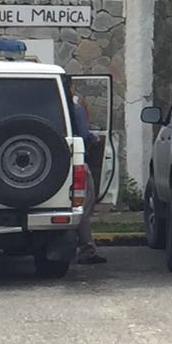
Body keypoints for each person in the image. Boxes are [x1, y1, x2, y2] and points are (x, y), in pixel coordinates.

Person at [71, 84, 107, 265]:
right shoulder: (74, 108)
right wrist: (95, 138)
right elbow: (84, 135)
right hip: (76, 160)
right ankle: (87, 249)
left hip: (48, 163)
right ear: (71, 87)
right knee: (84, 206)